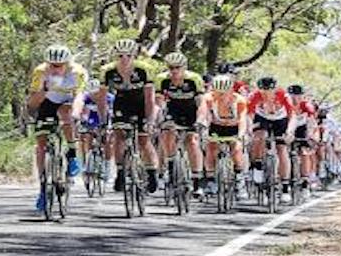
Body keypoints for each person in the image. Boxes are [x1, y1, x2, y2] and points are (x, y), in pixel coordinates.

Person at [26, 44, 89, 213]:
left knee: (66, 114)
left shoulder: (77, 72)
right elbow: (32, 102)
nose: (54, 69)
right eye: (51, 65)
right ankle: (42, 186)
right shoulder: (40, 72)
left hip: (68, 102)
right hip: (47, 103)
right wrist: (44, 89)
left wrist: (75, 115)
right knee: (41, 144)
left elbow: (79, 97)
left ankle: (72, 152)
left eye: (58, 65)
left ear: (67, 64)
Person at [98, 39, 159, 193]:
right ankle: (120, 172)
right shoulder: (107, 71)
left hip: (141, 103)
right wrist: (103, 121)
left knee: (144, 140)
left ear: (135, 56)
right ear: (115, 56)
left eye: (128, 56)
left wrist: (150, 120)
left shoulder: (144, 69)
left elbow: (150, 98)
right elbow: (102, 99)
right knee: (119, 136)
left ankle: (152, 173)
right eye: (120, 56)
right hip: (122, 102)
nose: (124, 59)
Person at [155, 52, 207, 198]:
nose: (174, 71)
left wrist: (201, 119)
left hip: (191, 110)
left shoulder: (194, 79)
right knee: (166, 134)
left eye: (177, 67)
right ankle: (171, 169)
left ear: (184, 67)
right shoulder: (162, 79)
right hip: (173, 110)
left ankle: (197, 182)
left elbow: (201, 103)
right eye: (171, 68)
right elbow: (159, 103)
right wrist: (157, 119)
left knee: (192, 141)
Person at [196, 74, 249, 196]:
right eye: (218, 92)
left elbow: (242, 119)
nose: (221, 95)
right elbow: (203, 112)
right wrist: (200, 123)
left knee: (236, 149)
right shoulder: (208, 98)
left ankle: (239, 179)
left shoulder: (240, 100)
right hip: (216, 127)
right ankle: (210, 180)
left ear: (231, 90)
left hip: (234, 127)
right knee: (211, 147)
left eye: (224, 92)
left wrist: (241, 135)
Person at [248, 76, 296, 204]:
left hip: (281, 119)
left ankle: (285, 188)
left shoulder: (284, 95)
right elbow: (249, 116)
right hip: (262, 117)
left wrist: (290, 131)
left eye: (270, 91)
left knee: (282, 148)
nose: (267, 93)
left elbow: (292, 116)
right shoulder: (255, 96)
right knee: (260, 137)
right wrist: (249, 130)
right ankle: (258, 165)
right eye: (264, 91)